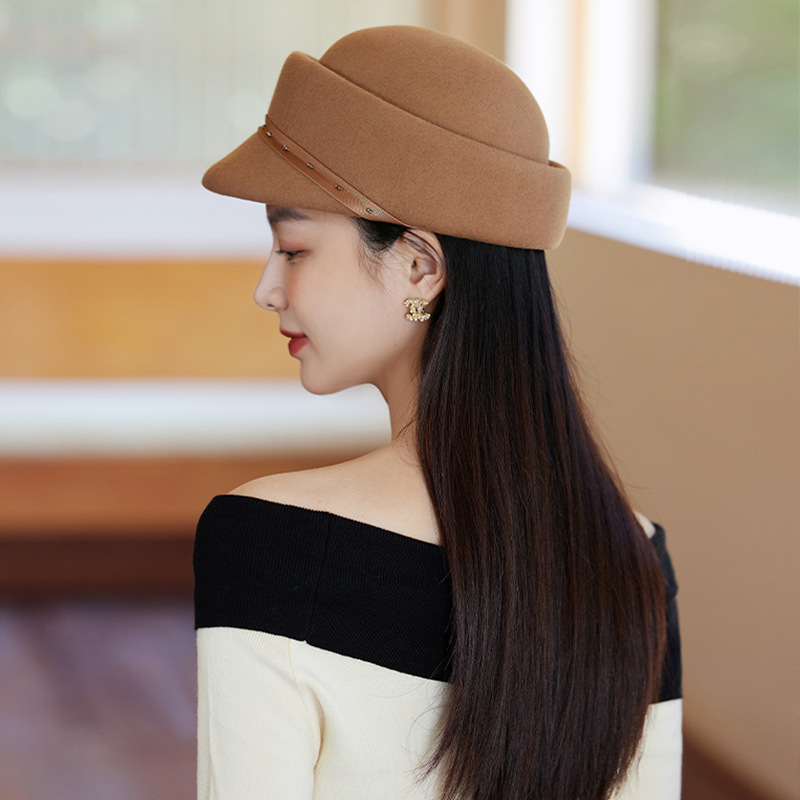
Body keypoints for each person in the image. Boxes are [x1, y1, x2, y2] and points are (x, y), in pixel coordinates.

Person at [193, 25, 682, 800]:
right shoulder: (631, 553)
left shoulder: (267, 540)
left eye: (293, 249)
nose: (267, 289)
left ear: (420, 266)